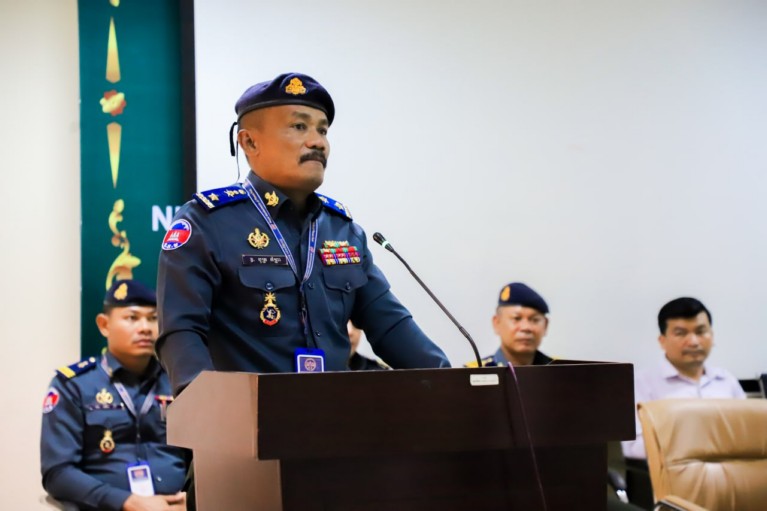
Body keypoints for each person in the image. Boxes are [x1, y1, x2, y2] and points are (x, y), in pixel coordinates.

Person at [157, 72, 449, 395]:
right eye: (299, 126)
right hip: (246, 420)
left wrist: (454, 384)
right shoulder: (207, 223)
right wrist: (206, 407)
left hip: (334, 418)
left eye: (322, 130)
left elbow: (391, 326)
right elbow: (181, 331)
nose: (317, 142)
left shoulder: (343, 231)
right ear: (249, 142)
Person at [40, 280, 188, 511]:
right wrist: (126, 502)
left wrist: (195, 496)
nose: (145, 328)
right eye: (132, 318)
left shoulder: (177, 382)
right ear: (104, 325)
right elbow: (57, 473)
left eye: (153, 318)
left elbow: (202, 455)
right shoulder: (74, 385)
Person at [621, 297, 746, 460]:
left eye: (700, 332)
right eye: (681, 333)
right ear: (662, 341)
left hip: (734, 470)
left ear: (712, 335)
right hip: (674, 471)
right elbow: (634, 448)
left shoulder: (726, 380)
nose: (693, 342)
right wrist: (700, 445)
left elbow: (749, 433)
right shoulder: (641, 384)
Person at [465, 282, 553, 367]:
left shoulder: (558, 370)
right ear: (497, 323)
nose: (526, 327)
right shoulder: (474, 373)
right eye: (516, 318)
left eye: (534, 320)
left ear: (545, 325)